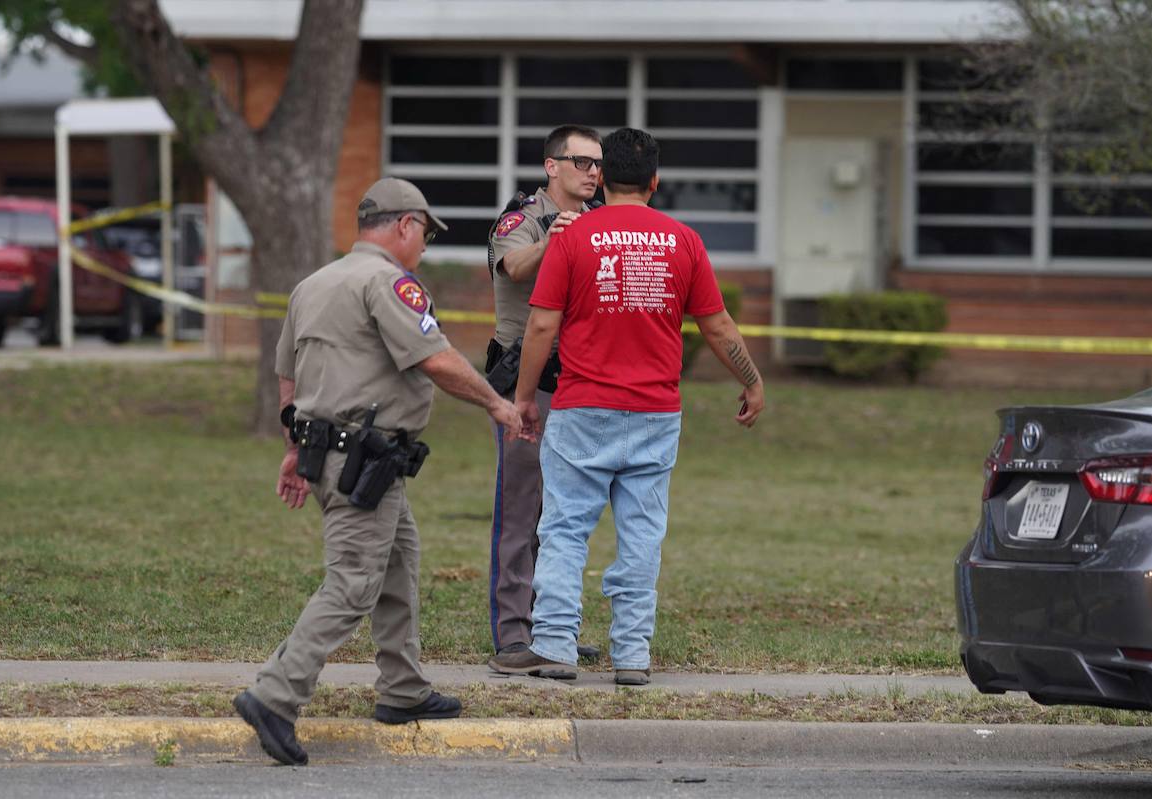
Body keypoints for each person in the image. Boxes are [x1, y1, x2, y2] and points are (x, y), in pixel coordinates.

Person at [234, 178, 531, 767]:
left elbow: (288, 375)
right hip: (362, 457)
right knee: (352, 582)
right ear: (403, 225)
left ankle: (402, 688)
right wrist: (499, 405)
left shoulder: (314, 283)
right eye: (424, 232)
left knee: (399, 560)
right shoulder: (387, 282)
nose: (423, 245)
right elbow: (435, 358)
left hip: (336, 455)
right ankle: (275, 693)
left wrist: (295, 448)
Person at [489, 128, 766, 686]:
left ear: (603, 177)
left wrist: (522, 399)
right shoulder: (683, 240)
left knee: (565, 531)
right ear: (655, 181)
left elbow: (542, 322)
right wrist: (752, 380)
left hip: (580, 406)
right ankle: (633, 656)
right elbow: (716, 325)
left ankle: (555, 645)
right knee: (642, 536)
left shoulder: (572, 236)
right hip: (656, 412)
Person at [484, 124, 603, 667]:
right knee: (520, 510)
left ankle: (553, 628)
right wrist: (554, 237)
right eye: (581, 162)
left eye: (598, 164)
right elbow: (512, 265)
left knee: (564, 516)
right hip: (524, 385)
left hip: (578, 384)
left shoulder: (598, 220)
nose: (593, 173)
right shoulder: (522, 220)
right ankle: (513, 634)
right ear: (551, 166)